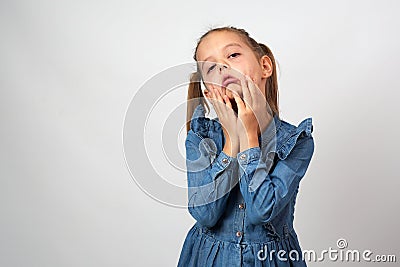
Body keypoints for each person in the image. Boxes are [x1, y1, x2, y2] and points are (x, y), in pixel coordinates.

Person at [177, 26, 314, 267]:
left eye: (232, 56)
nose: (222, 67)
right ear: (208, 90)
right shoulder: (199, 137)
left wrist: (249, 136)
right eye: (210, 67)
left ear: (265, 67)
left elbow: (262, 211)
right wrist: (232, 141)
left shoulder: (296, 141)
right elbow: (205, 215)